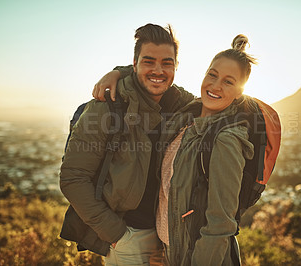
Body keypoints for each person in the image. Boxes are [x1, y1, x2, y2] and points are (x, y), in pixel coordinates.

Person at [94, 34, 256, 265]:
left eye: (228, 82)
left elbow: (220, 225)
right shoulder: (186, 113)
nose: (215, 86)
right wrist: (117, 73)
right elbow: (153, 75)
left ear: (240, 91)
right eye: (212, 74)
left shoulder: (226, 140)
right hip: (171, 253)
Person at [60, 23, 194, 265]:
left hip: (169, 237)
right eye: (148, 61)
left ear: (176, 66)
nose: (158, 70)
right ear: (135, 65)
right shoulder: (106, 107)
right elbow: (73, 178)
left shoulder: (181, 104)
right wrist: (117, 235)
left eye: (167, 63)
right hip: (127, 237)